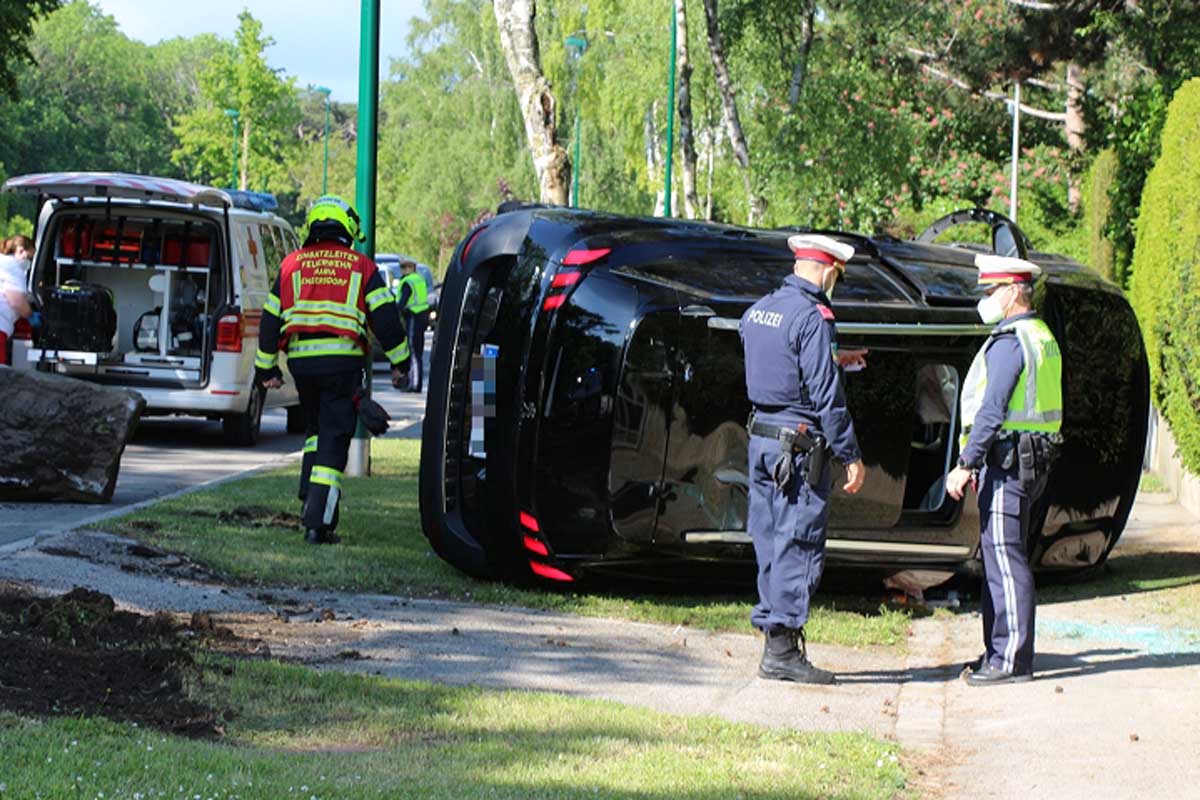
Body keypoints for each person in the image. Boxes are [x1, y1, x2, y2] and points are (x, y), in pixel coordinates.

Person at [739, 234, 867, 685]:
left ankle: (774, 641)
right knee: (799, 542)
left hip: (763, 441)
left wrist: (832, 359)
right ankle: (783, 651)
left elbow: (779, 364)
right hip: (798, 447)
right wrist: (850, 454)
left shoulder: (760, 310)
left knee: (770, 540)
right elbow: (826, 397)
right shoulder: (814, 317)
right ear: (829, 271)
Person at [255, 196, 411, 545]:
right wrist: (401, 363)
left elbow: (269, 321)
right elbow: (386, 319)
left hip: (301, 366)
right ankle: (318, 525)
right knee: (333, 439)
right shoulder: (361, 266)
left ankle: (308, 495)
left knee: (316, 429)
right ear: (346, 228)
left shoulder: (291, 265)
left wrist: (266, 370)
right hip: (341, 363)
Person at [945, 253, 1063, 686]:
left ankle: (1010, 660)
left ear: (1014, 291)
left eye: (992, 290)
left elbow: (992, 412)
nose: (987, 298)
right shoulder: (1041, 335)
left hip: (1009, 463)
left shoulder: (1011, 341)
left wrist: (964, 464)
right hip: (1031, 461)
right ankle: (999, 650)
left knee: (1005, 561)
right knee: (1002, 558)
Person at [394, 259, 430, 393]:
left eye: (403, 267)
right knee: (418, 352)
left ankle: (414, 384)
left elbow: (402, 303)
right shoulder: (419, 279)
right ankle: (416, 382)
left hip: (413, 317)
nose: (402, 270)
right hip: (422, 317)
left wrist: (394, 309)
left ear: (410, 268)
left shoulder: (408, 282)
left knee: (413, 352)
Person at [0, 236, 34, 366]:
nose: (28, 262)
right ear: (20, 250)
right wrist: (30, 315)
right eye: (29, 257)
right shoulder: (13, 267)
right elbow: (16, 301)